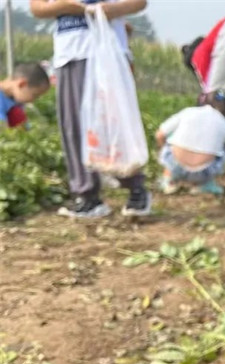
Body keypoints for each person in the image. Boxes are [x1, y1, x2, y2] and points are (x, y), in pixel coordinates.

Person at [29, 0, 152, 218]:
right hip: (70, 52)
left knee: (114, 122)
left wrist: (112, 10)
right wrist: (66, 6)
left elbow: (139, 2)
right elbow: (38, 8)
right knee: (73, 124)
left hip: (108, 50)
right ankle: (87, 196)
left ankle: (135, 187)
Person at [155, 88, 225, 196]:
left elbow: (159, 135)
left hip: (175, 165)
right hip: (203, 172)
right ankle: (204, 185)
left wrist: (165, 158)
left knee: (171, 137)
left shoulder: (189, 111)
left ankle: (169, 180)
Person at [0, 62, 51, 129]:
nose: (33, 100)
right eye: (34, 95)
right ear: (22, 84)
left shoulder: (15, 101)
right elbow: (2, 130)